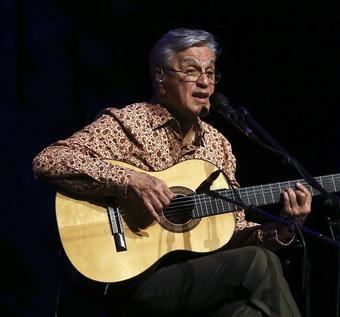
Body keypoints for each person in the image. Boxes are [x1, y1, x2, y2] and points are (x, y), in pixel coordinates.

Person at [33, 28, 312, 317]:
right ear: (160, 77)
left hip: (195, 279)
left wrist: (285, 227)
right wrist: (128, 180)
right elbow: (50, 160)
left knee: (249, 312)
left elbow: (233, 231)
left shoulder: (218, 145)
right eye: (191, 71)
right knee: (260, 262)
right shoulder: (129, 122)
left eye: (211, 72)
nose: (204, 82)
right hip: (128, 277)